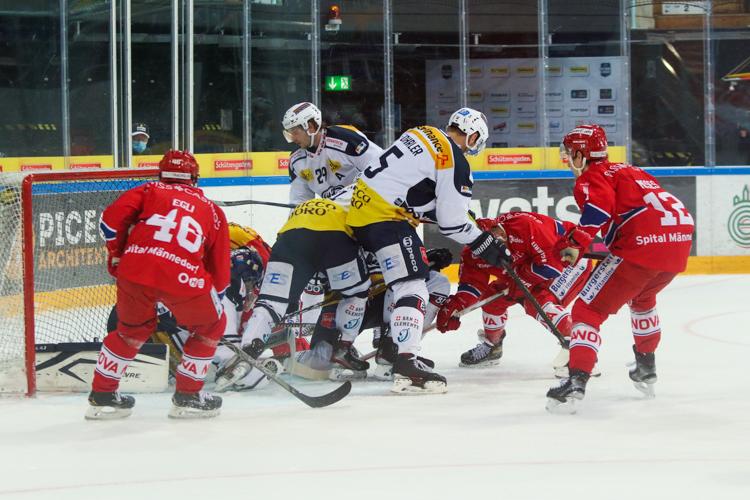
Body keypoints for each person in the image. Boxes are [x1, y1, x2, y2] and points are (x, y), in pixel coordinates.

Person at [345, 107, 512, 394]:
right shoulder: (456, 162)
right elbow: (452, 224)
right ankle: (406, 364)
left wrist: (454, 214)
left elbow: (413, 193)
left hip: (359, 212)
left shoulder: (422, 132)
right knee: (412, 287)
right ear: (473, 137)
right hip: (385, 218)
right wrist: (485, 244)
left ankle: (390, 350)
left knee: (426, 282)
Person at [546, 124, 694, 413]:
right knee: (643, 298)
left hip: (642, 246)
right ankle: (646, 366)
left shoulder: (592, 176)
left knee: (587, 310)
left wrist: (575, 242)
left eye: (570, 153)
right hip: (678, 242)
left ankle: (576, 380)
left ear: (580, 155)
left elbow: (599, 209)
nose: (567, 160)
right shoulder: (632, 170)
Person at [87, 150, 230, 420]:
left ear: (162, 174)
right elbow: (220, 269)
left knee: (130, 331)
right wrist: (213, 305)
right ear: (194, 177)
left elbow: (109, 223)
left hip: (135, 269)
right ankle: (188, 396)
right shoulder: (212, 211)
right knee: (212, 324)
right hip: (182, 275)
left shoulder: (149, 189)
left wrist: (118, 254)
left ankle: (102, 395)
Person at [214, 187, 372, 390]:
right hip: (333, 231)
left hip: (291, 231)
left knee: (271, 302)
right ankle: (343, 347)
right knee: (357, 292)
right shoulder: (370, 193)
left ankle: (247, 351)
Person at [436, 213, 592, 374]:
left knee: (535, 302)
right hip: (526, 272)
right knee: (492, 300)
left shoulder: (525, 225)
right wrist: (457, 306)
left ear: (498, 230)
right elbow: (471, 286)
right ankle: (493, 346)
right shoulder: (472, 253)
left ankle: (580, 351)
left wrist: (521, 280)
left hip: (568, 263)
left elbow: (551, 266)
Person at [282, 102, 383, 205]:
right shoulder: (296, 160)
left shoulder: (346, 139)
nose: (292, 138)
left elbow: (382, 167)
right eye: (289, 133)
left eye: (295, 132)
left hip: (367, 204)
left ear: (310, 127)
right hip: (336, 211)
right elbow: (300, 202)